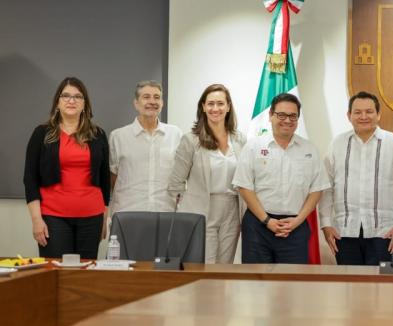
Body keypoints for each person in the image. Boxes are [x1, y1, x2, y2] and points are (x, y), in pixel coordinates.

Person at [233, 93, 329, 264]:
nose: (287, 120)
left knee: (292, 286)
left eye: (293, 116)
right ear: (270, 115)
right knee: (256, 285)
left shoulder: (309, 149)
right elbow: (244, 187)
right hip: (258, 226)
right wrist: (267, 220)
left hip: (295, 227)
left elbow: (317, 189)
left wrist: (298, 221)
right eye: (281, 115)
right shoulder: (253, 146)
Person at [320, 91, 393, 265]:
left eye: (369, 111)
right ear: (349, 116)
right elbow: (327, 186)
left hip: (385, 232)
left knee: (382, 287)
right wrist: (326, 224)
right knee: (350, 287)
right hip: (345, 231)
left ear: (378, 114)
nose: (363, 116)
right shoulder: (337, 144)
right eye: (357, 112)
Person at [23, 76, 110, 259]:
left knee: (83, 277)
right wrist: (36, 219)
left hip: (91, 217)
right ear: (57, 102)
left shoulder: (98, 134)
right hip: (53, 217)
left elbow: (104, 180)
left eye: (78, 96)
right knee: (56, 276)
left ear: (85, 103)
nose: (71, 100)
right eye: (66, 96)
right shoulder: (42, 133)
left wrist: (104, 219)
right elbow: (30, 179)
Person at [168, 84, 246, 264]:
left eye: (220, 103)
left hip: (232, 209)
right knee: (206, 264)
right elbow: (176, 184)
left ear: (228, 107)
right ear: (203, 107)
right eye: (210, 104)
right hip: (203, 208)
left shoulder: (239, 139)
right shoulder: (191, 140)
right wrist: (184, 213)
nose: (215, 108)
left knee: (225, 265)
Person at [109, 81, 182, 214]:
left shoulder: (175, 134)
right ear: (136, 103)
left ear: (162, 103)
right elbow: (113, 178)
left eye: (157, 97)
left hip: (166, 212)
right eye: (146, 97)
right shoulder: (118, 136)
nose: (152, 101)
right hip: (127, 213)